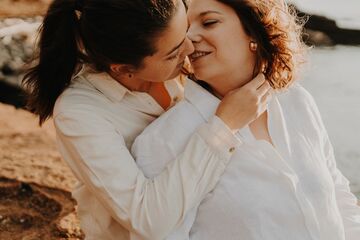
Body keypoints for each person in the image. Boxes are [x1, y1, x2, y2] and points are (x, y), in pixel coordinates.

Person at [22, 0, 272, 239]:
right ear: (122, 68)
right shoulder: (80, 113)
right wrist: (223, 127)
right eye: (173, 53)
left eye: (185, 29)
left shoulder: (180, 70)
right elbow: (148, 219)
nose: (190, 48)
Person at [132, 0, 360, 239]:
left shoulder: (297, 101)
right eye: (184, 29)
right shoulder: (163, 140)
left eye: (209, 22)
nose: (189, 38)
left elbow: (339, 198)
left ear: (252, 28)